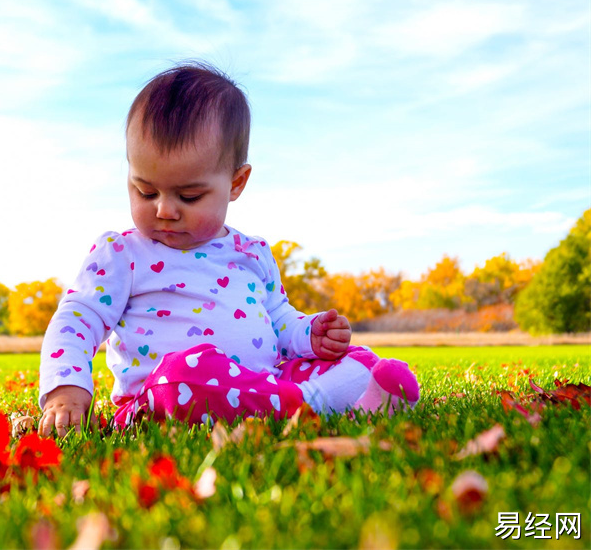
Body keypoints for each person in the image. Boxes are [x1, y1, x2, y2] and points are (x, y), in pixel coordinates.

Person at [38, 63, 419, 438]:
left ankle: (308, 397)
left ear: (236, 183)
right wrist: (66, 388)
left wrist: (309, 334)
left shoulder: (252, 254)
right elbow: (78, 318)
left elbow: (278, 319)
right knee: (188, 373)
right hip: (163, 398)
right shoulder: (123, 253)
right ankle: (316, 404)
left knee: (361, 361)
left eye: (189, 196)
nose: (164, 210)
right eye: (145, 191)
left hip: (263, 383)